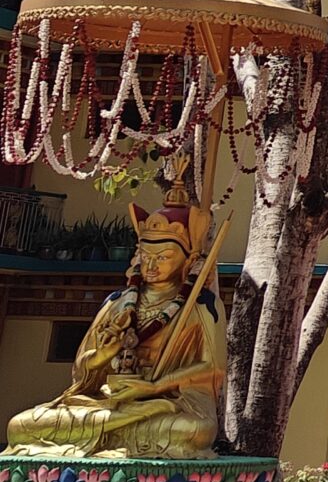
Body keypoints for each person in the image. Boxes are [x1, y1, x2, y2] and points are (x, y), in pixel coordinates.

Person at [6, 192, 224, 457]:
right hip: (107, 401)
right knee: (21, 425)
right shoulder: (117, 303)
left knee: (192, 430)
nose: (152, 266)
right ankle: (115, 433)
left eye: (164, 257)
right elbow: (82, 370)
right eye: (146, 256)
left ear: (188, 261)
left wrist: (155, 387)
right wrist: (102, 356)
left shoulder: (199, 305)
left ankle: (112, 434)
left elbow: (212, 368)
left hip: (168, 404)